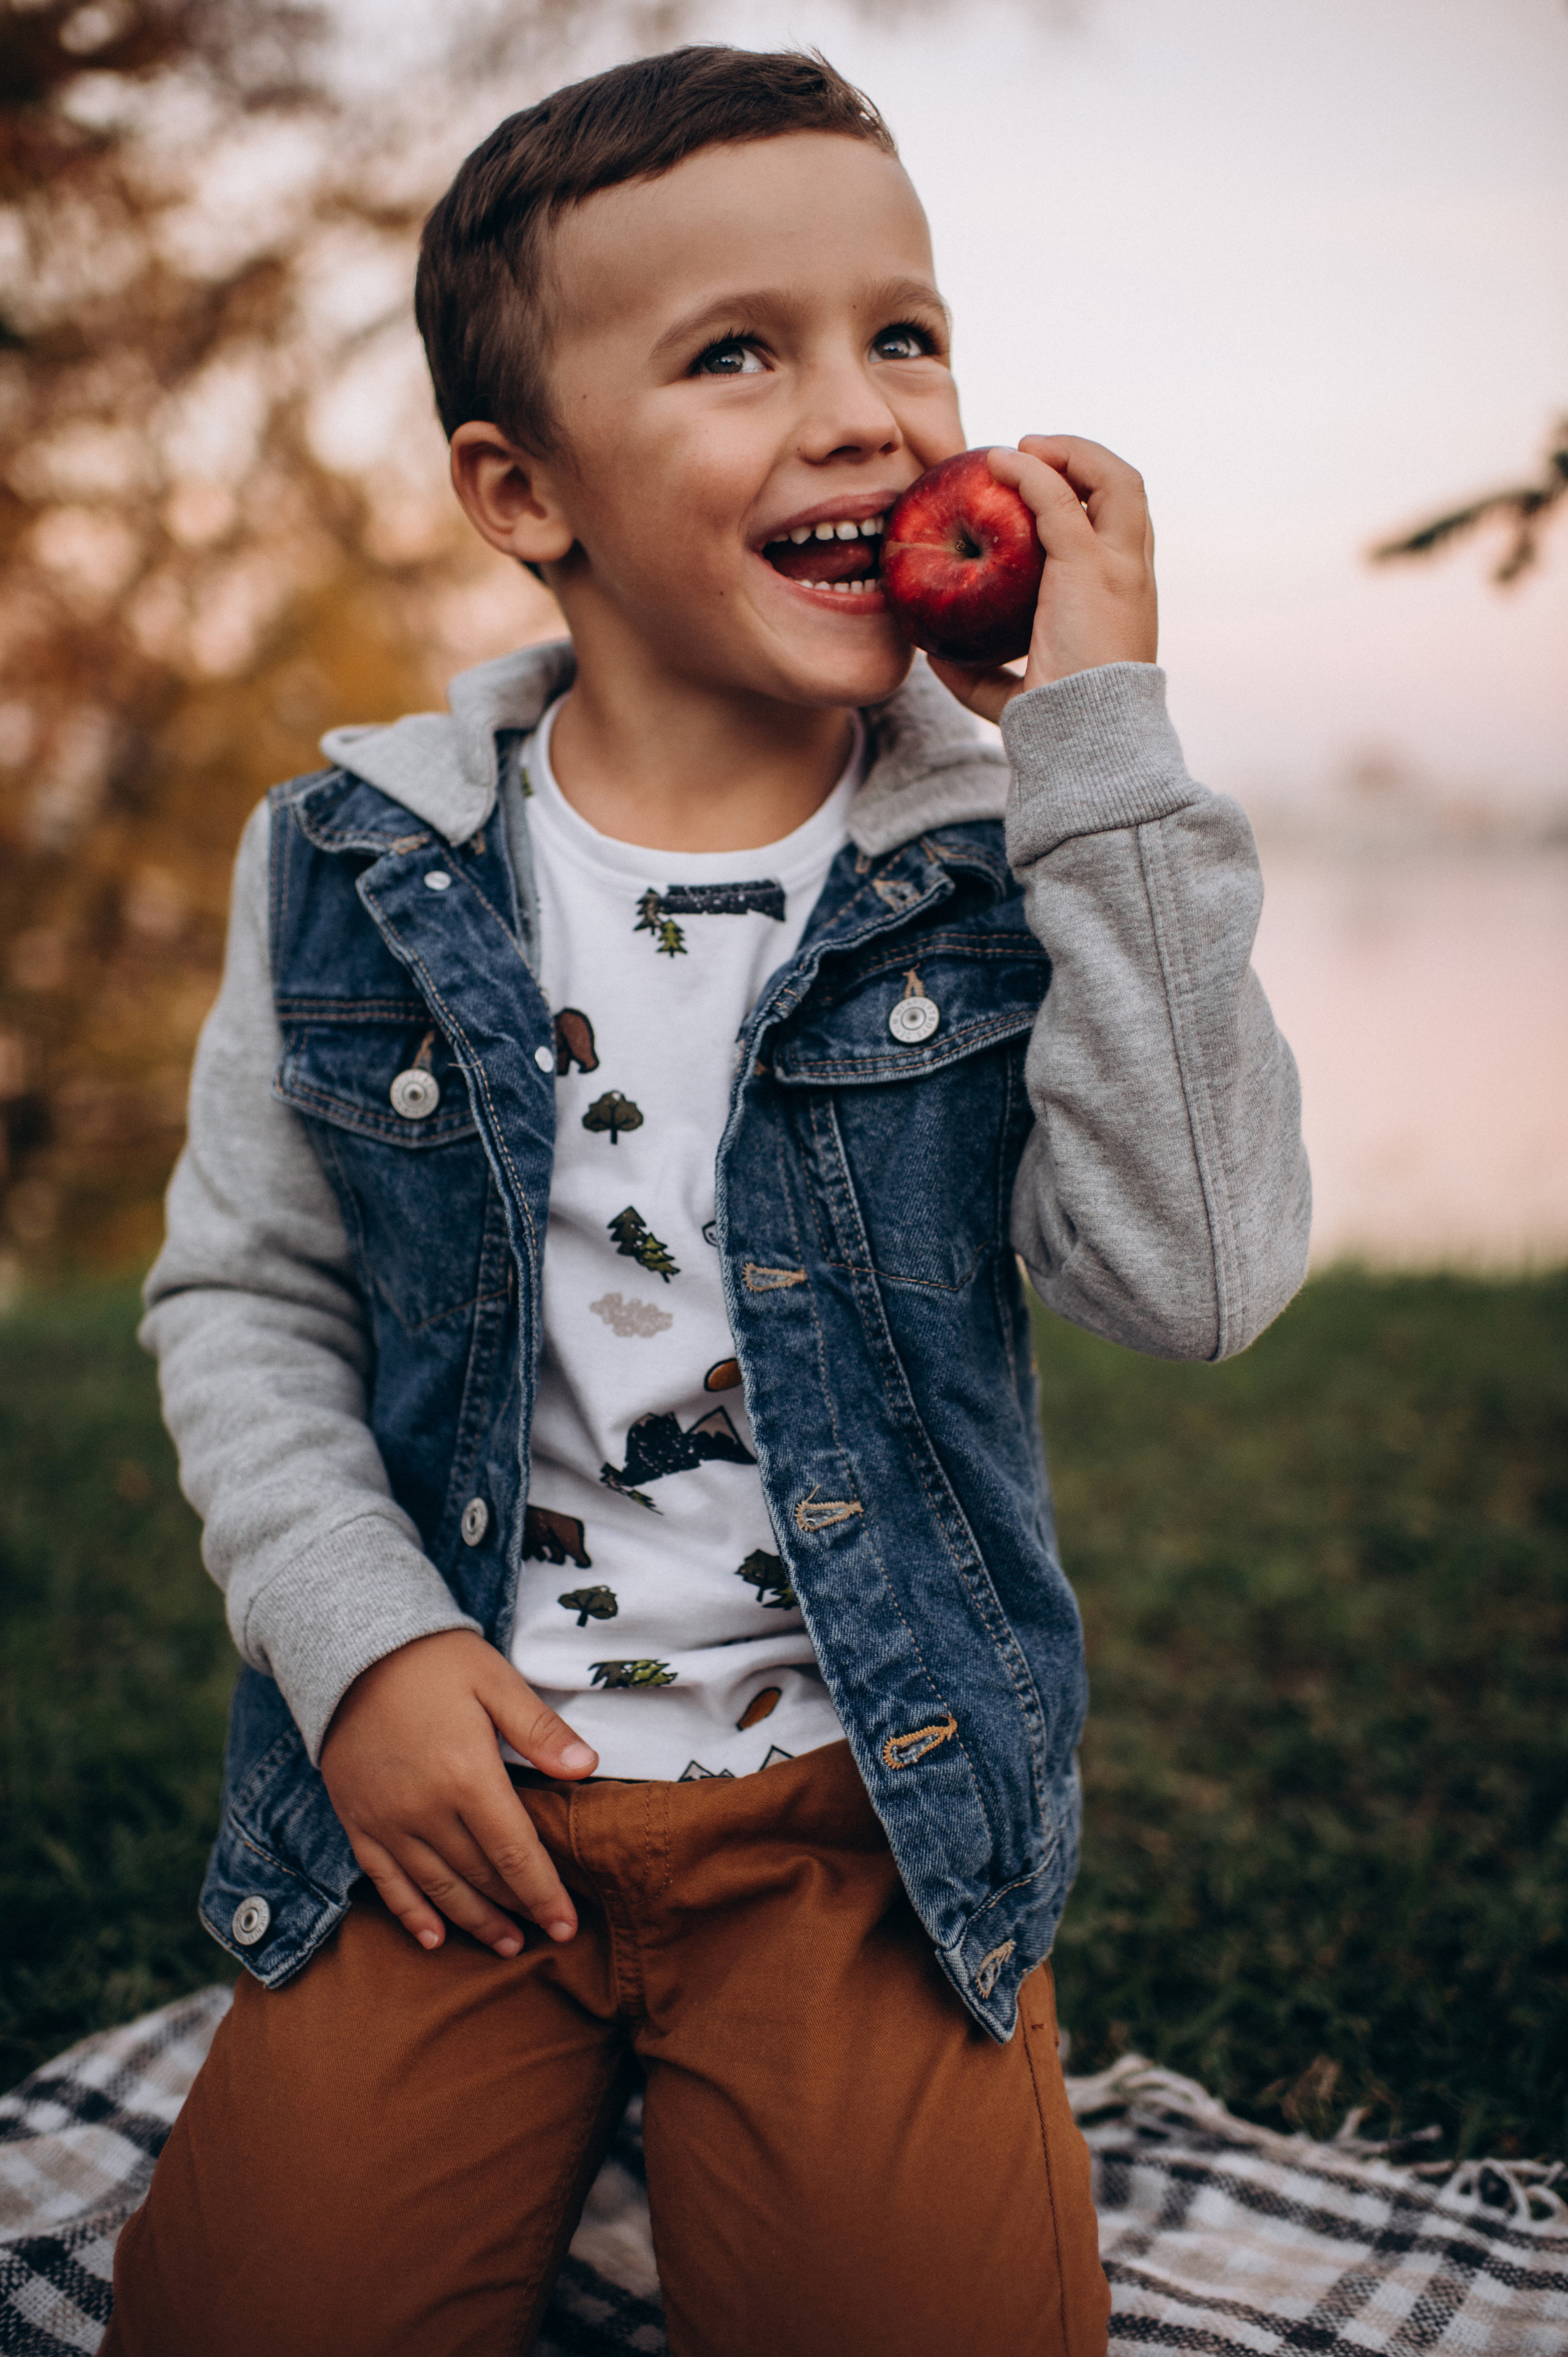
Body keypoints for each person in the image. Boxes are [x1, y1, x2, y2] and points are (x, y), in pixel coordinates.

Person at [102, 44, 1309, 2357]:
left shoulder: (999, 867)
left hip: (862, 1826)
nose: (866, 411)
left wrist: (1103, 747)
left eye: (905, 330)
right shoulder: (353, 870)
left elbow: (1210, 1283)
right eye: (739, 351)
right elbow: (243, 1296)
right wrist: (359, 1649)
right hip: (465, 1810)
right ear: (520, 488)